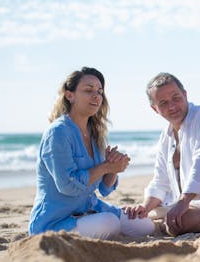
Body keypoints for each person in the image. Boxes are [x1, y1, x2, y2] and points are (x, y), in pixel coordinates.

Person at [29, 67, 155, 239]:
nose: (96, 96)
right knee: (109, 223)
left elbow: (104, 188)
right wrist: (104, 167)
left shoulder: (95, 132)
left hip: (90, 211)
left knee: (144, 226)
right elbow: (67, 186)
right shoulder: (58, 132)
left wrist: (113, 169)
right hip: (55, 222)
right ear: (69, 95)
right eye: (88, 90)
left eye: (99, 92)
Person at [124, 73, 200, 235]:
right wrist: (145, 207)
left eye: (176, 98)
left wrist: (183, 202)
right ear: (154, 109)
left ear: (185, 95)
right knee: (130, 216)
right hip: (181, 204)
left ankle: (157, 225)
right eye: (163, 103)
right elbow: (161, 180)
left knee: (178, 223)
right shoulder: (166, 134)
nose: (172, 106)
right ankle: (152, 221)